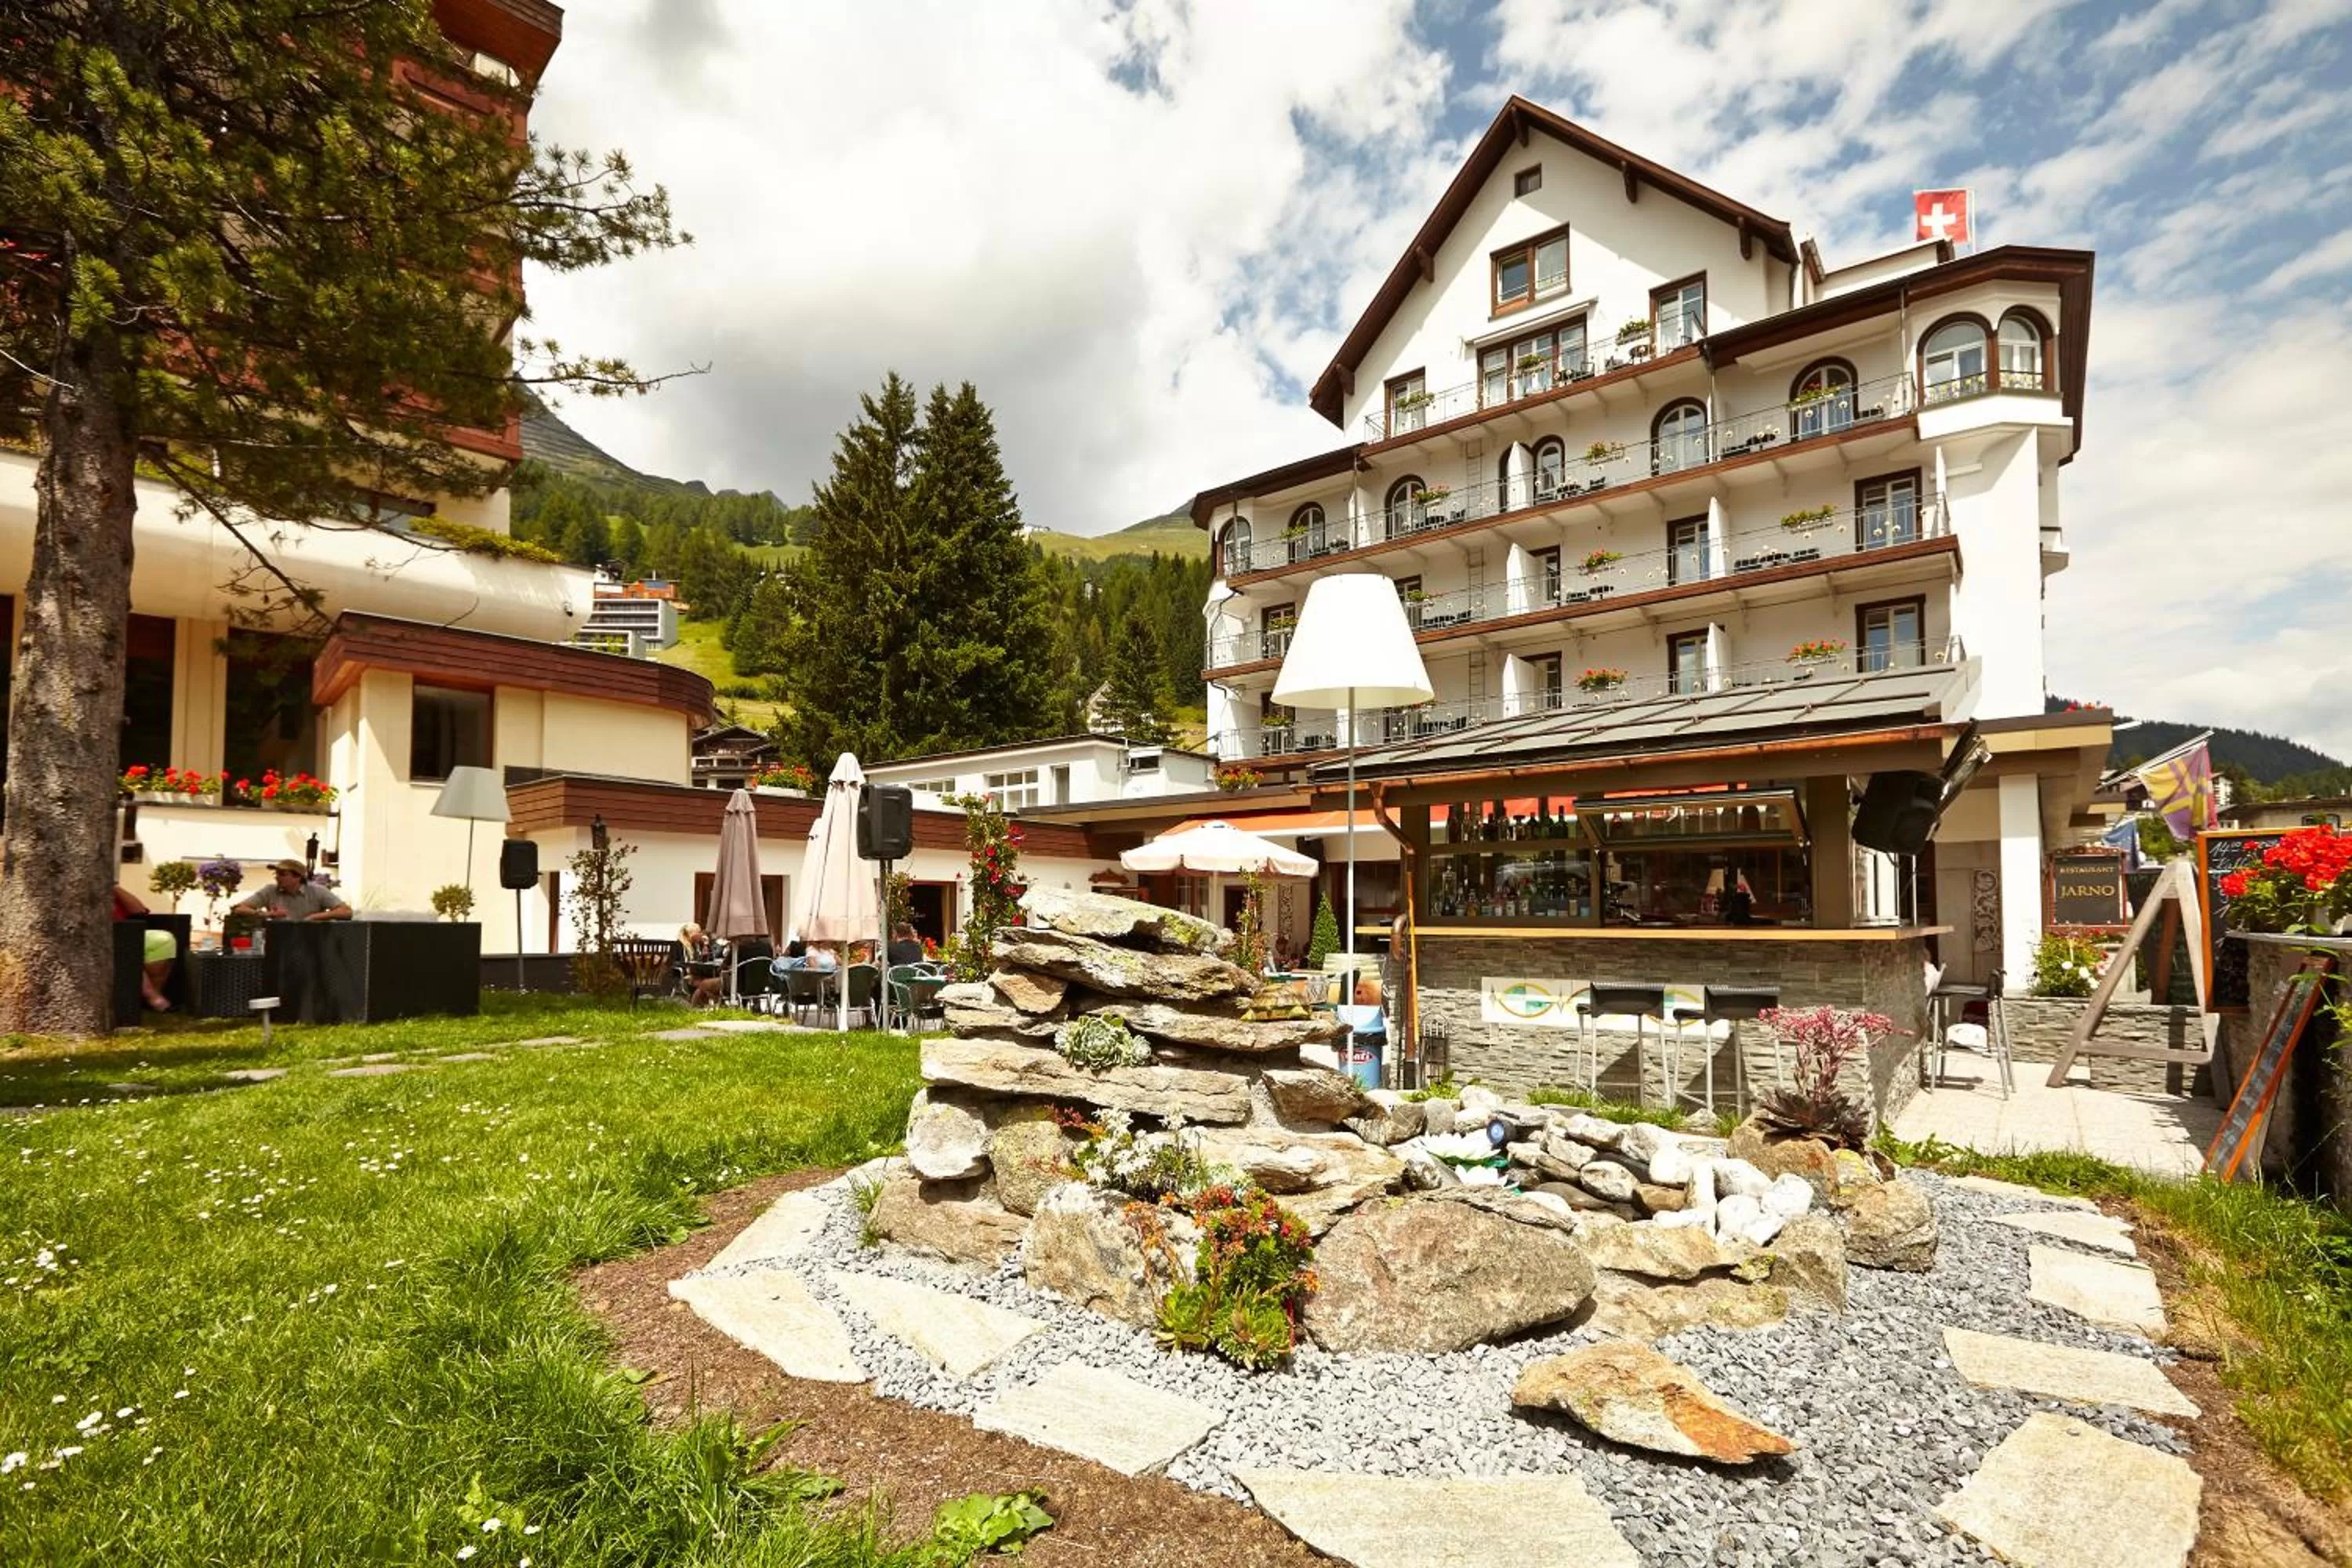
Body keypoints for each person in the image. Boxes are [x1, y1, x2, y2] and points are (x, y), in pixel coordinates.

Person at [111, 885, 175, 1011]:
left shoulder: (108, 888)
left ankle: (149, 996)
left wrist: (114, 887)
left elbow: (139, 911)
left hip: (128, 932)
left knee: (166, 940)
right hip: (107, 938)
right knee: (126, 946)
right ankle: (151, 996)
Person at [237, 859, 351, 922]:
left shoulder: (317, 891)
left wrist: (314, 917)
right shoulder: (270, 890)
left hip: (311, 943)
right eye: (276, 874)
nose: (277, 877)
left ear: (298, 877)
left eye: (282, 874)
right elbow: (239, 909)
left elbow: (346, 912)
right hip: (280, 942)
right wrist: (267, 914)